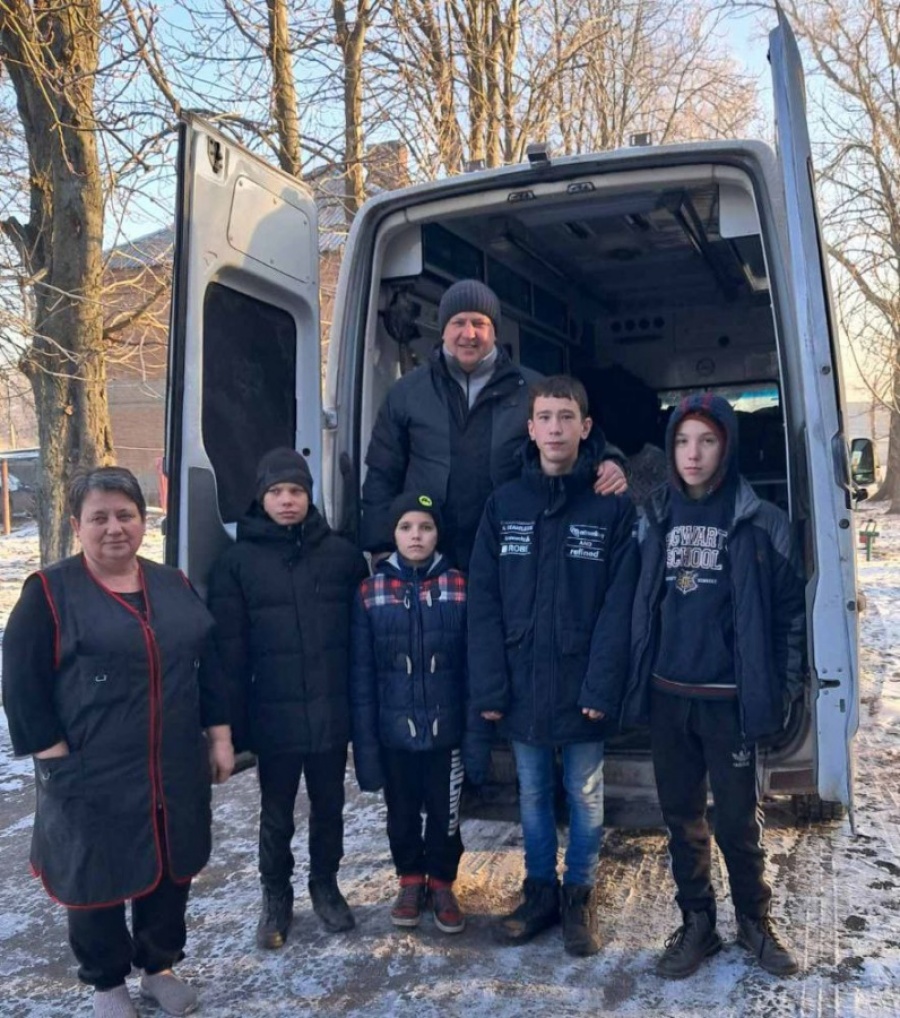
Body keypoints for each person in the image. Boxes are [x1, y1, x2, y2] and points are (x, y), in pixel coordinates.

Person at [1, 466, 234, 1018]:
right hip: (90, 769)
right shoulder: (49, 593)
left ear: (142, 520)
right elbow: (21, 684)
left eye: (125, 515)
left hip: (173, 765)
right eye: (99, 517)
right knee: (96, 876)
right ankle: (107, 982)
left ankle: (158, 968)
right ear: (76, 525)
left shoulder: (171, 585)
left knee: (171, 867)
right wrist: (53, 755)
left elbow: (209, 664)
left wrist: (220, 735)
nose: (114, 528)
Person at [621, 393, 805, 979]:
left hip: (729, 702)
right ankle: (697, 922)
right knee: (680, 818)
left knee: (735, 823)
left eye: (706, 441)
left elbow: (790, 616)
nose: (693, 454)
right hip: (669, 696)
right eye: (682, 441)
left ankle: (754, 920)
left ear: (726, 446)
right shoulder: (653, 517)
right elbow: (635, 601)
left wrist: (784, 686)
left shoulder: (761, 521)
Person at [466, 376, 639, 957]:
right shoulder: (505, 505)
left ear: (585, 427)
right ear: (531, 428)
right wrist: (491, 686)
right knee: (533, 795)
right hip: (520, 685)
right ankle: (539, 892)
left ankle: (579, 895)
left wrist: (602, 686)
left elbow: (619, 607)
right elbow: (484, 602)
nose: (556, 428)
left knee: (585, 795)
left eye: (567, 417)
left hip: (582, 683)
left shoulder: (610, 507)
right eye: (545, 417)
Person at [207, 447, 368, 950]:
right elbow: (227, 653)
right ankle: (275, 896)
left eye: (296, 490)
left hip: (329, 711)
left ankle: (326, 885)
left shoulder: (341, 556)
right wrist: (230, 727)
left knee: (329, 805)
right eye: (276, 491)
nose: (287, 500)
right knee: (276, 813)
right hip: (272, 716)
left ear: (309, 496)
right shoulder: (236, 564)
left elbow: (361, 641)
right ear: (261, 498)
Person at [360, 278, 627, 571]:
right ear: (443, 329)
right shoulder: (407, 392)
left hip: (511, 553)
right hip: (428, 557)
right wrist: (381, 547)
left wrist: (608, 460)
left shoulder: (532, 388)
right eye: (458, 322)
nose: (469, 333)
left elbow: (573, 435)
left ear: (495, 331)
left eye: (480, 323)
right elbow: (382, 473)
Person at [350, 492, 470, 934]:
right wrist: (366, 745)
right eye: (406, 527)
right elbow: (362, 674)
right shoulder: (371, 592)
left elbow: (472, 666)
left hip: (446, 731)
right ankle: (410, 880)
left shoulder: (459, 586)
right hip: (393, 733)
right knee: (401, 813)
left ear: (438, 534)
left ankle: (441, 882)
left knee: (445, 814)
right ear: (393, 534)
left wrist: (474, 733)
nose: (416, 536)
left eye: (425, 527)